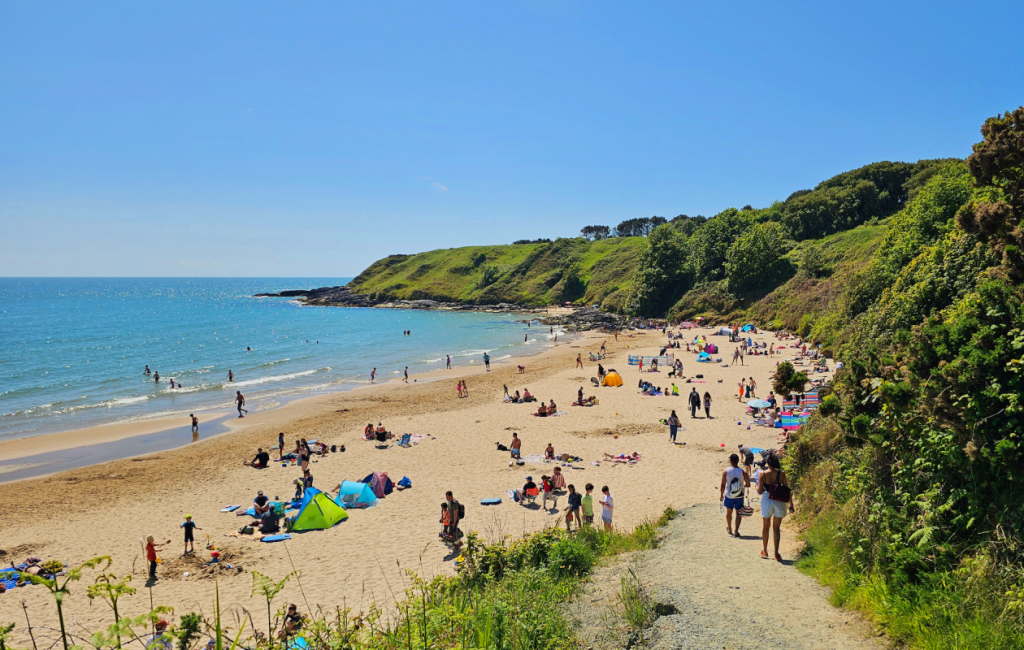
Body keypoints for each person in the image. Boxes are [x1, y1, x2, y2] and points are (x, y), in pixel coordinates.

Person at [757, 455, 794, 561]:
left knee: (765, 526)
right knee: (776, 528)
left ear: (767, 463)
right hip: (779, 500)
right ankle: (776, 553)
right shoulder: (781, 474)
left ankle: (765, 550)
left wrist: (756, 486)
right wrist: (791, 503)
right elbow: (787, 489)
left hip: (767, 499)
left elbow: (759, 491)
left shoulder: (762, 474)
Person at [721, 454, 750, 538]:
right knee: (738, 514)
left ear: (731, 461)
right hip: (739, 496)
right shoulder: (743, 471)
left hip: (729, 495)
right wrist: (742, 486)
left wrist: (721, 495)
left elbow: (722, 485)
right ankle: (736, 531)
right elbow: (748, 484)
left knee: (729, 512)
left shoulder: (726, 471)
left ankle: (729, 528)